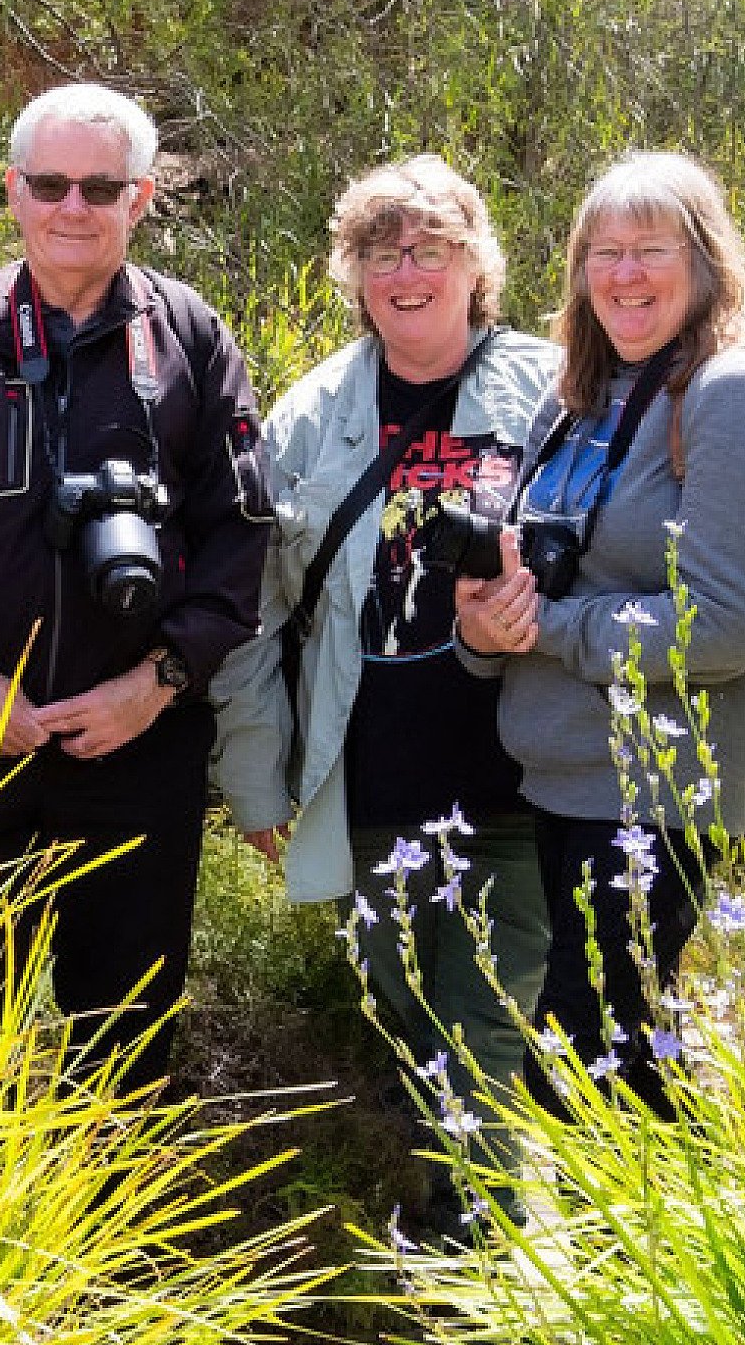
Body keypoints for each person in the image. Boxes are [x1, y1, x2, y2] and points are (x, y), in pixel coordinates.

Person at [0, 83, 275, 1092]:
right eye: (49, 183)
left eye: (101, 187)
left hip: (138, 752)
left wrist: (160, 680)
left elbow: (241, 534)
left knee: (128, 1039)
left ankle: (117, 1250)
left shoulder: (190, 338)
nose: (72, 207)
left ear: (140, 199)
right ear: (12, 191)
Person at [208, 156, 556, 1229]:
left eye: (429, 248)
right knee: (402, 1001)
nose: (406, 272)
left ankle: (477, 1238)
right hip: (373, 781)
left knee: (486, 1015)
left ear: (473, 264)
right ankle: (464, 1210)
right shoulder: (312, 414)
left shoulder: (552, 392)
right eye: (381, 251)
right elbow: (255, 617)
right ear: (353, 273)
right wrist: (257, 783)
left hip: (521, 773)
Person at [453, 150, 745, 1119]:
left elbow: (727, 624)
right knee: (609, 1055)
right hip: (568, 773)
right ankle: (669, 1249)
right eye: (603, 251)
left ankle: (685, 1254)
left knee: (585, 1063)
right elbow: (532, 568)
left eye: (649, 250)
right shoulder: (583, 391)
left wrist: (550, 631)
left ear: (702, 264)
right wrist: (486, 630)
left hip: (662, 782)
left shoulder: (733, 393)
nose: (624, 274)